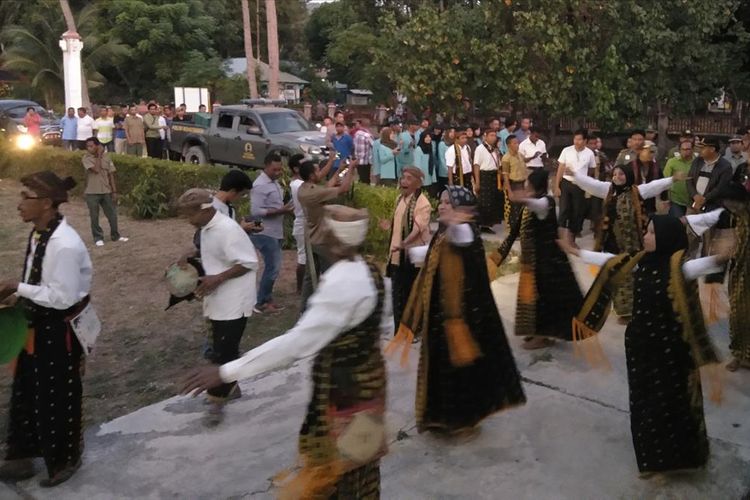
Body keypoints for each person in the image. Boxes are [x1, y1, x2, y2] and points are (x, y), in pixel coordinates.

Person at [181, 205, 390, 499]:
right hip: (368, 386)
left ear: (335, 240)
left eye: (323, 229)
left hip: (345, 395)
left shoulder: (343, 283)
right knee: (358, 466)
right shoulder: (368, 270)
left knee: (339, 472)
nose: (316, 234)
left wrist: (225, 371)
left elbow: (295, 345)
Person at [560, 215, 728, 478]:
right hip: (641, 349)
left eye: (651, 232)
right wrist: (576, 251)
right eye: (646, 231)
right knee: (644, 404)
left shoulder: (679, 267)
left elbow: (703, 265)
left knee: (674, 404)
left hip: (672, 352)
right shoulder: (638, 262)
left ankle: (683, 458)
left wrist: (720, 256)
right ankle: (652, 461)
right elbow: (608, 261)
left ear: (666, 237)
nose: (645, 236)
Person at [389, 186, 526, 435]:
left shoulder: (465, 234)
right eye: (441, 202)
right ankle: (440, 417)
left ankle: (463, 421)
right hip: (439, 316)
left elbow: (462, 237)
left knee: (459, 372)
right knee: (439, 368)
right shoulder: (443, 234)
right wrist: (409, 251)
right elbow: (433, 253)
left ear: (462, 211)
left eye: (448, 203)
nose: (441, 206)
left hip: (461, 320)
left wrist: (456, 222)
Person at [0, 171, 92, 487]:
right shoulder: (39, 234)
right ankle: (21, 456)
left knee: (57, 395)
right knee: (26, 389)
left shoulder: (63, 244)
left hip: (58, 329)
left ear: (48, 204)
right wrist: (17, 295)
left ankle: (66, 459)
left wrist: (18, 287)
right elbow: (38, 281)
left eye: (27, 197)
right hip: (35, 322)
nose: (19, 204)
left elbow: (62, 296)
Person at [175, 189, 258, 425]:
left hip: (234, 300)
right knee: (220, 346)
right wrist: (190, 257)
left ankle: (216, 400)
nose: (187, 220)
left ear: (204, 210)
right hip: (218, 299)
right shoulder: (206, 229)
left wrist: (217, 279)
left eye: (189, 214)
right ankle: (230, 388)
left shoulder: (228, 230)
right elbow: (215, 254)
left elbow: (249, 262)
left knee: (224, 350)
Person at [569, 164, 679, 322]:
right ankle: (624, 310)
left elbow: (654, 186)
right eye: (614, 174)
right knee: (617, 274)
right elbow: (591, 184)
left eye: (621, 174)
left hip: (633, 243)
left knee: (632, 275)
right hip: (612, 241)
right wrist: (575, 175)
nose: (617, 177)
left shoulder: (637, 191)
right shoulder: (608, 190)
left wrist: (672, 179)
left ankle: (634, 308)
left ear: (628, 175)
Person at [489, 169, 584, 349]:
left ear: (534, 185)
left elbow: (537, 205)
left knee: (543, 298)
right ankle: (536, 332)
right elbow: (514, 232)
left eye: (528, 182)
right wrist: (497, 258)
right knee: (531, 297)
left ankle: (542, 336)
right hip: (533, 262)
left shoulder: (545, 202)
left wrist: (521, 198)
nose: (525, 185)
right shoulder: (531, 205)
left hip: (546, 263)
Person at [684, 178, 750, 372]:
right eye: (727, 203)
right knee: (738, 313)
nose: (730, 206)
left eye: (732, 202)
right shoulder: (731, 216)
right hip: (740, 273)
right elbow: (716, 227)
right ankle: (739, 354)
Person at [298, 156, 356, 310]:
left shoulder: (304, 189)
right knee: (333, 274)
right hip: (321, 240)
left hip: (312, 237)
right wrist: (351, 169)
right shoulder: (311, 193)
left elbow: (326, 189)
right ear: (311, 175)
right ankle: (332, 307)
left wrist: (340, 169)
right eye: (318, 170)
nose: (321, 172)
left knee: (311, 277)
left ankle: (306, 311)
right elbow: (343, 189)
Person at [382, 167, 432, 330]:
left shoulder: (422, 203)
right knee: (398, 294)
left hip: (412, 259)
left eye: (409, 178)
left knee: (412, 295)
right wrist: (388, 225)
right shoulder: (399, 199)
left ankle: (413, 330)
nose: (404, 181)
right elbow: (398, 223)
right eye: (403, 178)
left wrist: (404, 244)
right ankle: (399, 330)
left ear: (418, 184)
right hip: (397, 256)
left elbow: (417, 229)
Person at [250, 153, 293, 313]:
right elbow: (255, 211)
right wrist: (279, 210)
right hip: (265, 232)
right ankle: (261, 302)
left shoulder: (274, 182)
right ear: (266, 166)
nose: (278, 172)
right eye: (274, 170)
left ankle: (266, 299)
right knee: (273, 268)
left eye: (280, 169)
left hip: (275, 231)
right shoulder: (260, 185)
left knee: (273, 267)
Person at [82, 137, 128, 247]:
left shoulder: (107, 157)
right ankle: (98, 237)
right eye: (88, 146)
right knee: (94, 216)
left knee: (112, 214)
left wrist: (114, 191)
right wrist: (98, 155)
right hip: (92, 191)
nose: (89, 148)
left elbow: (111, 174)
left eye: (92, 146)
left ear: (97, 146)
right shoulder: (86, 158)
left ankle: (115, 235)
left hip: (106, 190)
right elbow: (96, 169)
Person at [554, 129, 596, 243]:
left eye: (579, 139)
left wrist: (588, 184)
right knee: (564, 209)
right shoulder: (566, 151)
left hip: (580, 184)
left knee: (577, 210)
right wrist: (556, 186)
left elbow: (591, 170)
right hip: (566, 183)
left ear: (585, 141)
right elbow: (560, 169)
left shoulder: (590, 153)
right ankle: (560, 233)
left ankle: (573, 233)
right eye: (575, 139)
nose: (576, 141)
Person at [474, 128, 502, 230]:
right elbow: (476, 165)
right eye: (491, 135)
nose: (493, 138)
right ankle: (482, 224)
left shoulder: (495, 149)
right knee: (484, 201)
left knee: (493, 200)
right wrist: (477, 181)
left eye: (495, 135)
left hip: (494, 175)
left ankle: (489, 224)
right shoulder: (480, 148)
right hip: (484, 175)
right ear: (485, 136)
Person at [289, 154, 307, 294]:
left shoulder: (298, 183)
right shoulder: (298, 185)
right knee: (303, 258)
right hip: (302, 224)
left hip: (303, 223)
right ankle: (300, 289)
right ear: (295, 169)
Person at [663, 140, 694, 217]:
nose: (685, 151)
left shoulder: (697, 162)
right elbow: (665, 179)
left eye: (688, 149)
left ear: (692, 150)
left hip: (693, 200)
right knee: (677, 223)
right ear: (679, 150)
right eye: (683, 149)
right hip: (676, 199)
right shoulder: (672, 162)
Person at [413, 127, 437, 193]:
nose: (428, 138)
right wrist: (420, 179)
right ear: (422, 138)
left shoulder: (430, 148)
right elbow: (417, 166)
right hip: (422, 179)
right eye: (426, 137)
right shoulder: (418, 149)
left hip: (429, 178)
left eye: (429, 137)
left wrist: (434, 178)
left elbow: (432, 164)